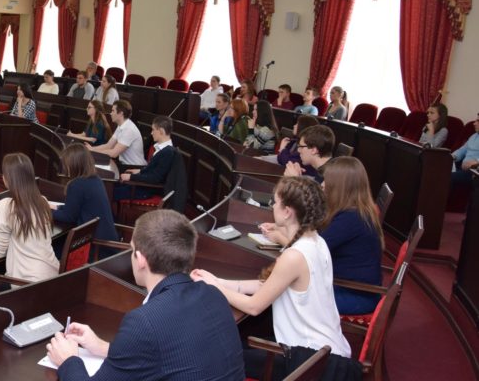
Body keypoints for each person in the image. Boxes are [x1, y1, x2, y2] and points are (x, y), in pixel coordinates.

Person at [47, 210, 245, 380]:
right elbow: (168, 355)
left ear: (141, 259)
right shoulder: (213, 294)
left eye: (132, 250)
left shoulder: (144, 321)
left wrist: (68, 360)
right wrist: (102, 347)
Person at [191, 177, 352, 379]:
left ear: (287, 212)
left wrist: (214, 286)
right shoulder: (316, 241)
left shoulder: (295, 255)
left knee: (214, 355)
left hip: (308, 360)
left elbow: (253, 307)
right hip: (325, 348)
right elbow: (270, 285)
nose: (273, 206)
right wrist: (222, 282)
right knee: (234, 341)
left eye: (275, 202)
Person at [0, 153, 59, 282]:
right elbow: (21, 239)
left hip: (25, 282)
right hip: (53, 275)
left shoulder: (5, 206)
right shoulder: (42, 201)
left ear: (9, 178)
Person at [320, 157, 384, 315]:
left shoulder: (351, 218)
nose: (322, 184)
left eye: (327, 181)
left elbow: (314, 248)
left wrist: (283, 236)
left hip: (354, 295)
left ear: (339, 187)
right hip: (346, 286)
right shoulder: (356, 211)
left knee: (287, 294)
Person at [52, 144, 119, 242]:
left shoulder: (77, 185)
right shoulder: (96, 179)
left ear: (74, 164)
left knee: (55, 243)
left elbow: (68, 217)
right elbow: (76, 208)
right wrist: (57, 207)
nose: (65, 168)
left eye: (66, 164)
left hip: (95, 244)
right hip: (105, 239)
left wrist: (45, 212)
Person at [114, 116, 175, 201]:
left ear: (161, 131)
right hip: (142, 185)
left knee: (110, 191)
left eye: (153, 130)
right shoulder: (161, 149)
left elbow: (156, 178)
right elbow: (153, 169)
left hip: (146, 190)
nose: (151, 133)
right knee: (112, 184)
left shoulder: (167, 152)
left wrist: (131, 177)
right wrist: (140, 171)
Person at [88, 100, 147, 167]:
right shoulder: (121, 125)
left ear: (121, 113)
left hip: (134, 166)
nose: (111, 113)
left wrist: (92, 151)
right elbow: (109, 145)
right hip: (124, 164)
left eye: (113, 111)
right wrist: (92, 149)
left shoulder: (129, 129)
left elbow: (114, 153)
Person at [451, 115, 479, 189]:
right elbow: (462, 150)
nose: (474, 123)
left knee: (449, 177)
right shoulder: (474, 136)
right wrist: (453, 156)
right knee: (440, 170)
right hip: (462, 167)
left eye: (478, 121)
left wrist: (476, 162)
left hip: (474, 171)